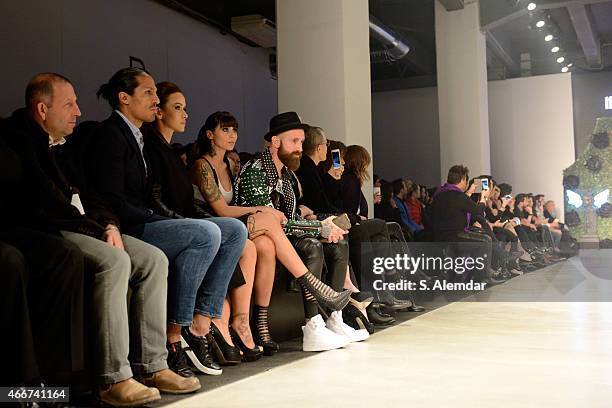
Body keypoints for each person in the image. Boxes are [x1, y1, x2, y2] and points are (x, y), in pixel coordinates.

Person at [2, 72, 200, 406]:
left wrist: (107, 224)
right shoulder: (22, 141)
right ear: (42, 109)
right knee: (114, 260)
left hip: (86, 225)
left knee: (154, 259)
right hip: (55, 229)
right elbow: (49, 201)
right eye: (69, 104)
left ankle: (153, 364)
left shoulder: (67, 146)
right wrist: (98, 226)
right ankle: (114, 378)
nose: (78, 111)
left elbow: (92, 195)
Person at [88, 67, 246, 378]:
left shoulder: (139, 138)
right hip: (129, 225)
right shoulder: (111, 135)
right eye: (148, 93)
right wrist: (158, 218)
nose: (155, 99)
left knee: (234, 231)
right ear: (123, 98)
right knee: (205, 234)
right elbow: (113, 198)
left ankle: (202, 322)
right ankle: (175, 335)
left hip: (147, 220)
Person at [143, 84, 262, 363]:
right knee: (218, 232)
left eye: (185, 108)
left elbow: (187, 201)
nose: (185, 114)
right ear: (159, 112)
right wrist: (189, 220)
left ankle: (204, 318)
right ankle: (183, 329)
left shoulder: (173, 152)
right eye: (177, 107)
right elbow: (156, 198)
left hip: (189, 219)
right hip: (164, 222)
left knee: (236, 231)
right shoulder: (158, 151)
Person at [235, 112, 356, 351]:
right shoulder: (255, 171)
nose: (299, 148)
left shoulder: (288, 174)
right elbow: (273, 223)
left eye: (301, 142)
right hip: (259, 236)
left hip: (286, 235)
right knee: (313, 244)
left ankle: (333, 318)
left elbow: (290, 218)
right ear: (276, 141)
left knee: (339, 241)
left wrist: (322, 222)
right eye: (294, 141)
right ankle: (312, 324)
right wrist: (319, 226)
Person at [431, 165, 506, 284]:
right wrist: (483, 198)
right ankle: (483, 277)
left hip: (440, 234)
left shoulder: (441, 193)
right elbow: (477, 210)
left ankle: (482, 273)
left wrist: (469, 193)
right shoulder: (457, 195)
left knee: (481, 234)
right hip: (454, 235)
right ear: (462, 179)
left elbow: (459, 206)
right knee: (485, 239)